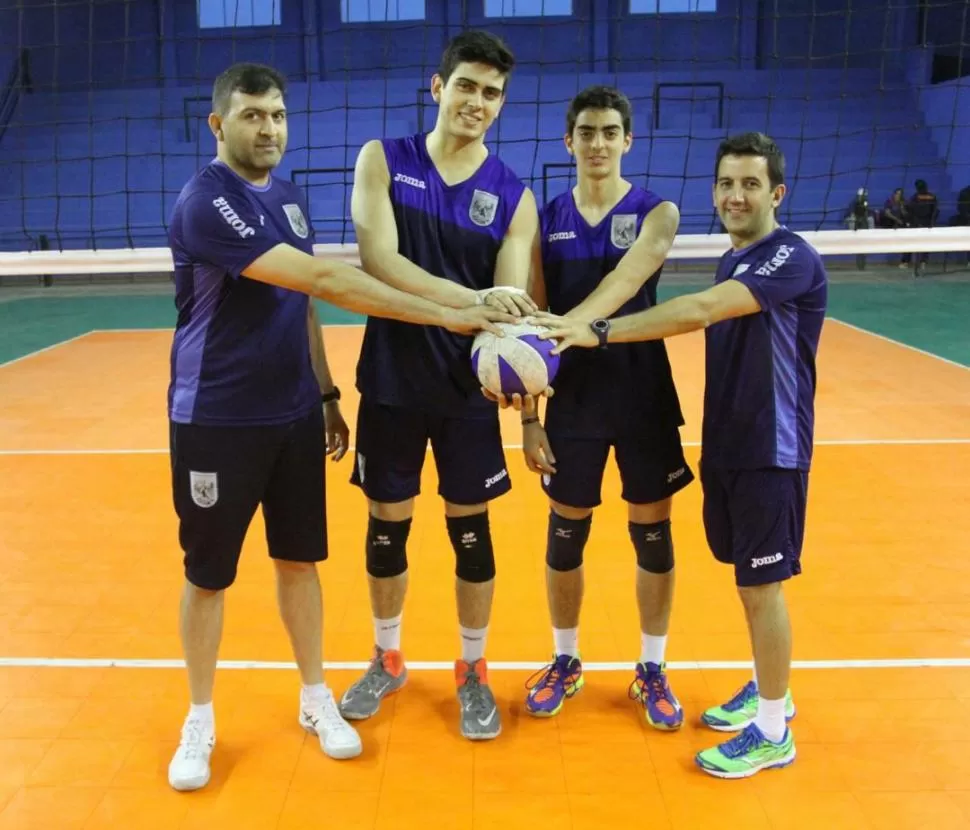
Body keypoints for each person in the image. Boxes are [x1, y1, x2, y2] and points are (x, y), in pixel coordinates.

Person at [166, 61, 514, 792]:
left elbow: (303, 303)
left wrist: (325, 392)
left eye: (278, 115)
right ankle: (199, 717)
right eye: (253, 115)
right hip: (218, 418)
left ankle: (315, 695)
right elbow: (330, 279)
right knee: (209, 575)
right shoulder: (207, 202)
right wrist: (455, 311)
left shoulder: (288, 198)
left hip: (293, 413)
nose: (268, 128)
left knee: (301, 562)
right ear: (218, 124)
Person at [533, 131, 828, 779]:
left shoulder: (788, 258)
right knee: (746, 574)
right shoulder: (737, 259)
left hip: (769, 449)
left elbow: (696, 311)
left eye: (751, 184)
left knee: (761, 583)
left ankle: (774, 726)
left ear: (777, 193)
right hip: (729, 442)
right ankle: (765, 683)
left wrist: (597, 329)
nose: (735, 195)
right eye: (726, 183)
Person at [337, 30, 539, 741]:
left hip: (466, 394)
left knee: (471, 536)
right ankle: (387, 656)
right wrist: (470, 302)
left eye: (491, 93)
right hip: (391, 381)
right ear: (437, 87)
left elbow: (508, 304)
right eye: (466, 87)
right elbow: (378, 259)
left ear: (501, 104)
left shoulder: (513, 196)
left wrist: (500, 318)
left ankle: (473, 672)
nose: (476, 102)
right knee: (387, 528)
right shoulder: (382, 161)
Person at [517, 85, 691, 728]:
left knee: (652, 530)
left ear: (628, 141)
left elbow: (627, 281)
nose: (597, 143)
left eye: (609, 132)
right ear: (569, 142)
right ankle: (566, 660)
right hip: (573, 399)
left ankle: (652, 668)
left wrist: (576, 326)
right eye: (585, 132)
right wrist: (530, 418)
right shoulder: (546, 217)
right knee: (567, 530)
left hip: (642, 392)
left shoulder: (658, 212)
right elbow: (534, 323)